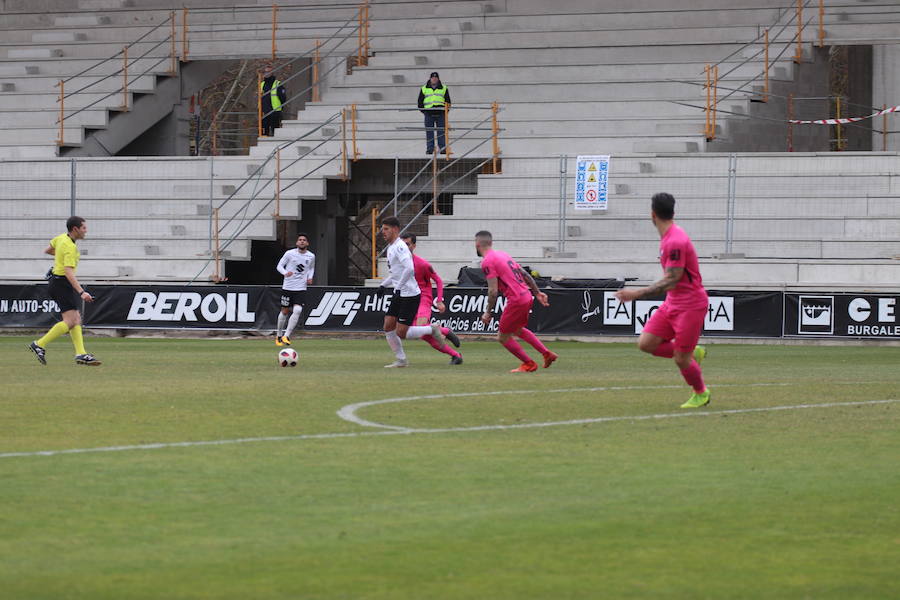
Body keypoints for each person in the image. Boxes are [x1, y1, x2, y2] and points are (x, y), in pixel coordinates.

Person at [614, 192, 710, 408]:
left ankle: (701, 393)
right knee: (646, 343)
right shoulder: (669, 238)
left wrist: (636, 294)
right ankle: (693, 352)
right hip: (673, 302)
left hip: (690, 305)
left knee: (680, 359)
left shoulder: (675, 241)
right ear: (673, 212)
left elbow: (673, 279)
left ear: (652, 215)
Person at [475, 231, 558, 373]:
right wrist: (537, 293)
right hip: (526, 295)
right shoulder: (503, 254)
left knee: (502, 337)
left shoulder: (487, 262)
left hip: (516, 300)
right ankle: (546, 354)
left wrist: (488, 312)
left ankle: (529, 364)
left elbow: (493, 291)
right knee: (517, 330)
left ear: (477, 244)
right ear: (491, 243)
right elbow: (524, 274)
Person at [379, 217, 454, 368]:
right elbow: (396, 272)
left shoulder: (400, 247)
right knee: (388, 326)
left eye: (386, 229)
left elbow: (409, 269)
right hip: (400, 293)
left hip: (410, 295)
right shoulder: (392, 247)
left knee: (401, 332)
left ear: (395, 229)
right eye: (383, 229)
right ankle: (401, 360)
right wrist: (383, 285)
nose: (383, 232)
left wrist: (398, 288)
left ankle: (432, 329)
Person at [29, 216, 101, 366]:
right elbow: (68, 272)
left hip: (57, 283)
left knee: (75, 320)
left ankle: (81, 353)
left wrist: (60, 259)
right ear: (75, 229)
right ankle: (39, 344)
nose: (86, 231)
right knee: (70, 321)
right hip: (62, 283)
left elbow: (48, 250)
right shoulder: (70, 247)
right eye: (83, 228)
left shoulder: (61, 238)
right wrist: (82, 292)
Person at [401, 233, 463, 365]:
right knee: (424, 335)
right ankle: (456, 355)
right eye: (403, 244)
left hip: (423, 298)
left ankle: (445, 332)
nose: (405, 247)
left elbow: (438, 281)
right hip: (409, 299)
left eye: (408, 244)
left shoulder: (422, 264)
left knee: (421, 327)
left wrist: (439, 300)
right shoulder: (399, 263)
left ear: (414, 246)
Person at [275, 233, 315, 346]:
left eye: (304, 240)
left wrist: (310, 277)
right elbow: (279, 266)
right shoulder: (289, 254)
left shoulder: (311, 256)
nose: (302, 241)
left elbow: (311, 268)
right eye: (300, 240)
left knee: (298, 310)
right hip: (288, 287)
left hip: (301, 288)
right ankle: (278, 335)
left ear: (307, 243)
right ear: (297, 243)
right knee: (285, 311)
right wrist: (285, 273)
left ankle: (286, 335)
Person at [417, 71, 451, 155]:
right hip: (428, 113)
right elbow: (420, 101)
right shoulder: (424, 88)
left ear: (438, 79)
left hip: (441, 113)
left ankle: (443, 148)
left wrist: (446, 111)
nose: (434, 79)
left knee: (441, 132)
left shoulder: (444, 88)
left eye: (436, 78)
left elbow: (448, 101)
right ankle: (430, 149)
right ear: (430, 79)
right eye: (433, 78)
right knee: (429, 132)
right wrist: (423, 111)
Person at [260, 64, 287, 137]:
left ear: (272, 73)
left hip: (275, 110)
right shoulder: (262, 84)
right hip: (265, 111)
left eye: (268, 72)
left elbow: (283, 98)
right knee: (264, 132)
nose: (266, 73)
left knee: (275, 131)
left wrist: (281, 108)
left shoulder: (277, 84)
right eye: (265, 72)